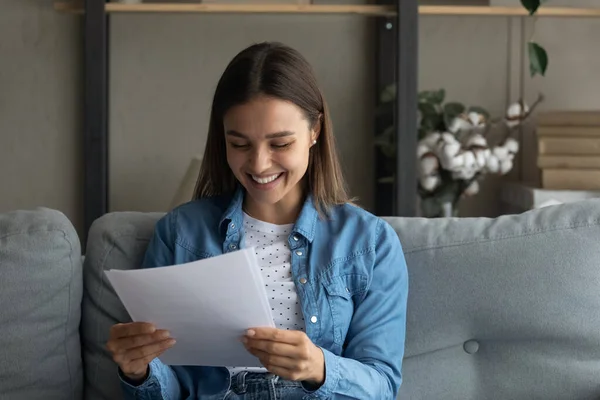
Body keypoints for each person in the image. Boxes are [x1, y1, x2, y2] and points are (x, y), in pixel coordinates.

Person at [106, 41, 409, 400]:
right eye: (240, 144)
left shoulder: (369, 242)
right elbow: (173, 388)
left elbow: (383, 385)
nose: (259, 165)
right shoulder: (181, 233)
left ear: (315, 132)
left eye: (280, 144)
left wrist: (319, 368)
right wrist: (139, 371)